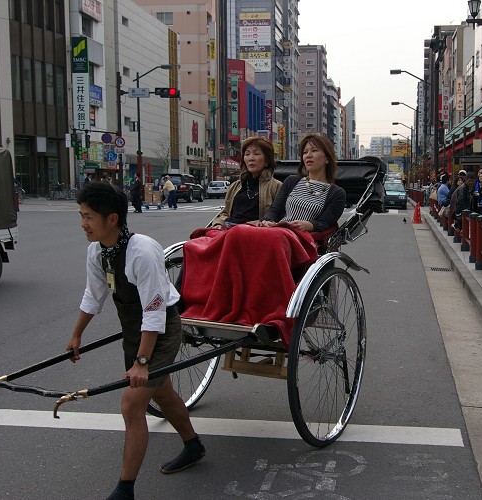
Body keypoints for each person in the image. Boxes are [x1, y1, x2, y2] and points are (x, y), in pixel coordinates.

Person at [68, 182, 205, 500]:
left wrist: (143, 361)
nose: (83, 224)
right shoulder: (97, 251)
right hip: (135, 329)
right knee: (163, 393)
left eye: (88, 216)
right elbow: (94, 295)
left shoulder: (141, 250)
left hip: (162, 329)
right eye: (82, 215)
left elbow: (156, 312)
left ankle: (124, 490)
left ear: (111, 218)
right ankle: (193, 445)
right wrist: (76, 335)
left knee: (132, 405)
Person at [181, 134, 346, 347]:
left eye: (314, 151)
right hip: (278, 229)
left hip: (303, 237)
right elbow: (275, 210)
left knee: (268, 238)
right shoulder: (292, 182)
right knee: (238, 233)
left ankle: (271, 309)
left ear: (327, 157)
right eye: (305, 152)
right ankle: (225, 303)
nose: (308, 156)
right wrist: (267, 221)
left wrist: (310, 225)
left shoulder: (336, 192)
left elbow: (327, 222)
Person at [210, 137, 282, 228]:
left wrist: (258, 224)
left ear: (267, 161)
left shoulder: (276, 187)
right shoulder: (235, 186)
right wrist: (218, 224)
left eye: (256, 154)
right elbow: (225, 212)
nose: (251, 158)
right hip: (229, 230)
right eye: (247, 154)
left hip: (256, 233)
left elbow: (278, 216)